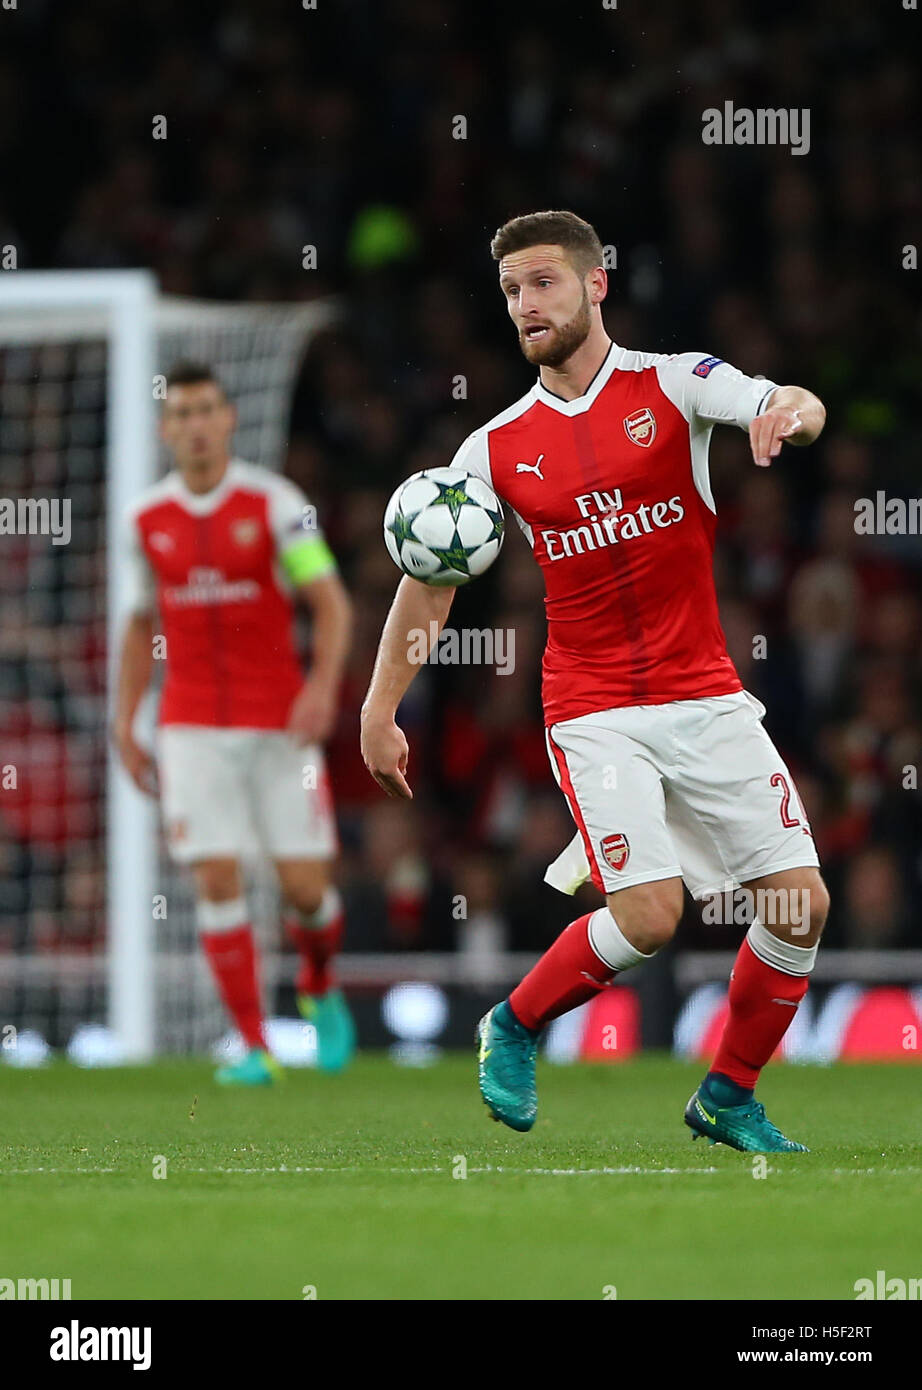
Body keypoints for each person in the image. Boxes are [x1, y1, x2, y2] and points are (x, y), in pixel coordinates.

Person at [361, 210, 829, 1152]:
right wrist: (380, 706)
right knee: (650, 918)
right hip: (594, 708)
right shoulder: (494, 448)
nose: (525, 306)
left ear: (595, 283)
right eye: (511, 291)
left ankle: (729, 1095)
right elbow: (430, 583)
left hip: (705, 693)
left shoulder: (677, 383)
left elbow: (788, 399)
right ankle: (514, 1023)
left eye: (543, 283)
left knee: (800, 905)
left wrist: (788, 413)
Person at [114, 361, 354, 1084]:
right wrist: (124, 723)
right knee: (215, 875)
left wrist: (322, 689)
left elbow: (331, 603)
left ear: (228, 419)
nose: (195, 425)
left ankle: (318, 982)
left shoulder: (278, 504)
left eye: (206, 410)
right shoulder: (143, 521)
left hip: (280, 722)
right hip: (189, 725)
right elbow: (138, 625)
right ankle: (253, 1046)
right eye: (182, 413)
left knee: (305, 890)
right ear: (166, 429)